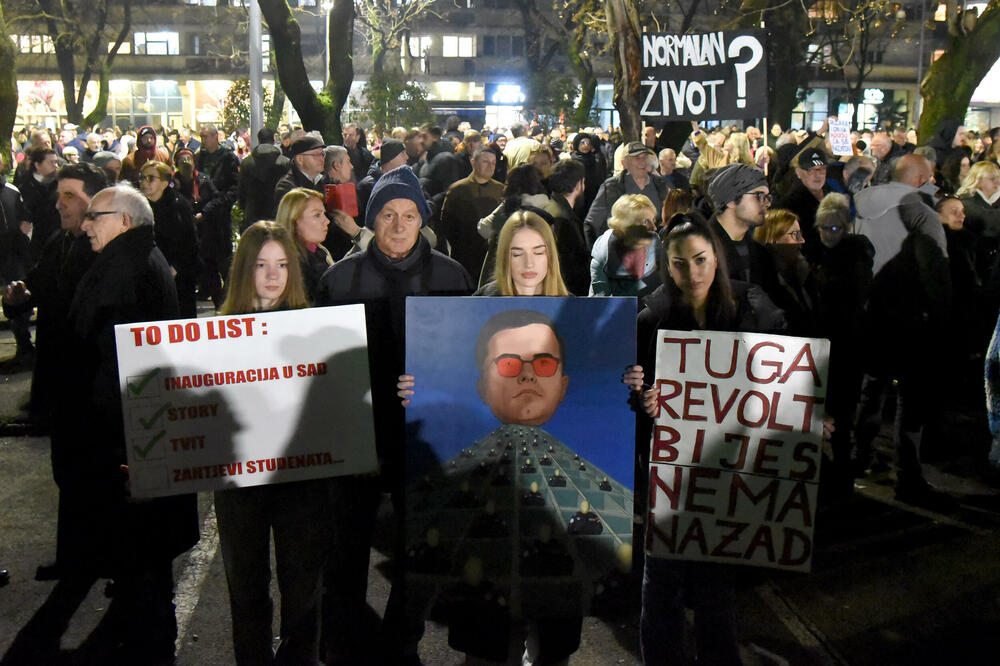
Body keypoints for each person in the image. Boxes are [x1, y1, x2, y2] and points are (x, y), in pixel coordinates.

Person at [317, 165, 473, 663]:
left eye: (410, 215)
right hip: (356, 438)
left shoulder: (452, 278)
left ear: (423, 220)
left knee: (422, 550)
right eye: (389, 214)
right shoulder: (339, 280)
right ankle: (342, 639)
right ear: (371, 219)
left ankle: (401, 639)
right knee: (347, 551)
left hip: (426, 442)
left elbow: (474, 361)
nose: (400, 225)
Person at [623, 214, 784, 666]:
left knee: (716, 581)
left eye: (700, 260)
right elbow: (632, 389)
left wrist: (808, 411)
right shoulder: (651, 316)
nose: (692, 273)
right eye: (679, 264)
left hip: (728, 466)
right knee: (662, 583)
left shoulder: (751, 307)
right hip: (669, 470)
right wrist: (644, 398)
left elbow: (785, 369)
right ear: (665, 266)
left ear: (717, 256)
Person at [67, 184, 199, 662]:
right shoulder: (142, 259)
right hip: (136, 438)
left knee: (143, 565)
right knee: (143, 565)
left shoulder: (126, 269)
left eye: (94, 216)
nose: (85, 224)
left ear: (124, 220)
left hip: (126, 443)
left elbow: (114, 368)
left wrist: (121, 447)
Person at [212, 220, 329, 665]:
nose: (273, 275)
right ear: (244, 270)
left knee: (303, 588)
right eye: (261, 265)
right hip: (239, 482)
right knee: (246, 589)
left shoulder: (316, 328)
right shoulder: (212, 335)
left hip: (302, 479)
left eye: (282, 264)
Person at [3, 163, 105, 581]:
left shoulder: (101, 251)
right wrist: (17, 299)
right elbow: (38, 288)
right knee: (66, 470)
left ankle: (93, 559)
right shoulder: (58, 241)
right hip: (59, 377)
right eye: (59, 194)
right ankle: (73, 559)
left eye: (69, 195)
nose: (59, 203)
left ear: (94, 202)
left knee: (89, 473)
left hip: (87, 381)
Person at [140, 161, 200, 318]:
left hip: (178, 275)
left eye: (150, 178)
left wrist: (174, 267)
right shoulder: (139, 206)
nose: (144, 183)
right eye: (142, 178)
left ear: (165, 183)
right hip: (148, 274)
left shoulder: (179, 206)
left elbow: (190, 242)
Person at [584, 142, 668, 248]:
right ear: (624, 163)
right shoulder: (611, 187)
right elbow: (592, 223)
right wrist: (599, 255)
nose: (642, 162)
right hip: (621, 253)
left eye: (645, 157)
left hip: (652, 253)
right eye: (637, 158)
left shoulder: (659, 184)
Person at [438, 147, 504, 279]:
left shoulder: (500, 189)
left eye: (493, 162)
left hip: (490, 255)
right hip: (465, 254)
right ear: (473, 162)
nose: (490, 166)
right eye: (485, 162)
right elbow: (446, 223)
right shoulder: (458, 189)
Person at [753, 208, 820, 335]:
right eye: (795, 235)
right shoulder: (764, 290)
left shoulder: (804, 277)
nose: (802, 241)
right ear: (773, 240)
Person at [476, 210, 570, 297]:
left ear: (551, 256)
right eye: (517, 254)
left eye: (538, 253)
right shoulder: (481, 302)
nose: (529, 264)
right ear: (504, 257)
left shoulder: (572, 307)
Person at [590, 194, 662, 301]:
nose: (654, 228)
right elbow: (600, 296)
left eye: (653, 220)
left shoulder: (654, 240)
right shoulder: (603, 248)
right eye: (645, 222)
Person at [275, 187, 336, 303]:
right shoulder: (287, 265)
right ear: (294, 220)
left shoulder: (319, 252)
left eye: (324, 214)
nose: (327, 221)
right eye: (317, 215)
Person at [238, 127, 292, 229]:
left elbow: (242, 191)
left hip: (253, 215)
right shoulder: (285, 162)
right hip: (278, 215)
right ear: (273, 140)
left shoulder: (247, 162)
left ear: (259, 140)